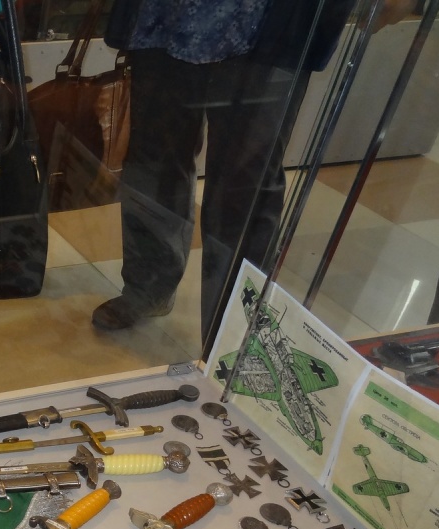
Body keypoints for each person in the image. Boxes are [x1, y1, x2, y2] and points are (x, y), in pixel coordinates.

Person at [91, 0, 412, 350]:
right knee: (154, 157)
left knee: (245, 185)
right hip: (166, 14)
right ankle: (148, 285)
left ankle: (233, 328)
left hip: (267, 19)